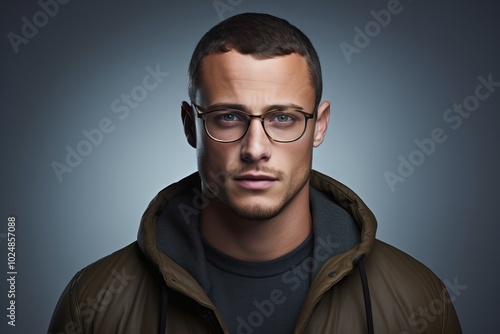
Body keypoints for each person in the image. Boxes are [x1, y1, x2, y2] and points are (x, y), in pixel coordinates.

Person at [48, 12, 462, 334]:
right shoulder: (95, 302)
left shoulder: (415, 300)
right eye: (229, 116)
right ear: (191, 125)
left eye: (282, 118)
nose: (255, 149)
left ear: (319, 126)